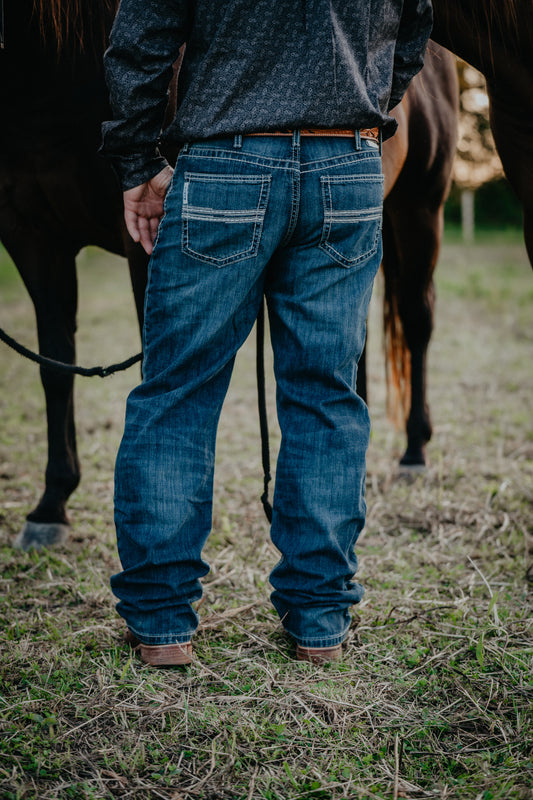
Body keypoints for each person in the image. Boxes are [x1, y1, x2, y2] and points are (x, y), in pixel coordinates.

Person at [101, 0, 433, 666]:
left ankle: (162, 623)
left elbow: (141, 40)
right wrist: (355, 109)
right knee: (325, 395)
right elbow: (412, 32)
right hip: (347, 163)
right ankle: (319, 620)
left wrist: (138, 163)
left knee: (177, 396)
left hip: (226, 160)